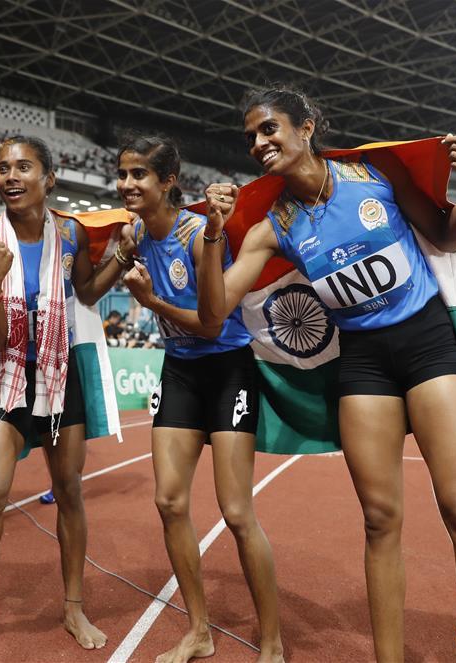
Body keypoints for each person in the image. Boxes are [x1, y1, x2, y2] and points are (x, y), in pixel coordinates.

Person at [198, 87, 456, 662]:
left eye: (269, 130)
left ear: (307, 127)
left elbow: (445, 236)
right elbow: (215, 315)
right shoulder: (275, 225)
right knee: (379, 518)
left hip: (427, 341)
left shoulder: (374, 173)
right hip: (363, 360)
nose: (260, 144)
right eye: (251, 138)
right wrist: (216, 234)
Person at [0, 135, 134, 653]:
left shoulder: (71, 233)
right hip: (11, 376)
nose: (10, 176)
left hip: (60, 377)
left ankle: (74, 609)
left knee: (70, 490)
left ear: (48, 178)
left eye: (23, 167)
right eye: (2, 168)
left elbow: (85, 292)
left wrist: (121, 255)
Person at [118, 135, 284, 663]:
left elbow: (213, 326)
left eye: (139, 175)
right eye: (122, 175)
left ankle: (273, 639)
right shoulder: (136, 234)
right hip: (180, 372)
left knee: (236, 512)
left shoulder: (197, 236)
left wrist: (152, 302)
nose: (126, 185)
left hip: (227, 368)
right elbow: (91, 284)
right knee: (169, 501)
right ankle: (199, 631)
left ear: (168, 182)